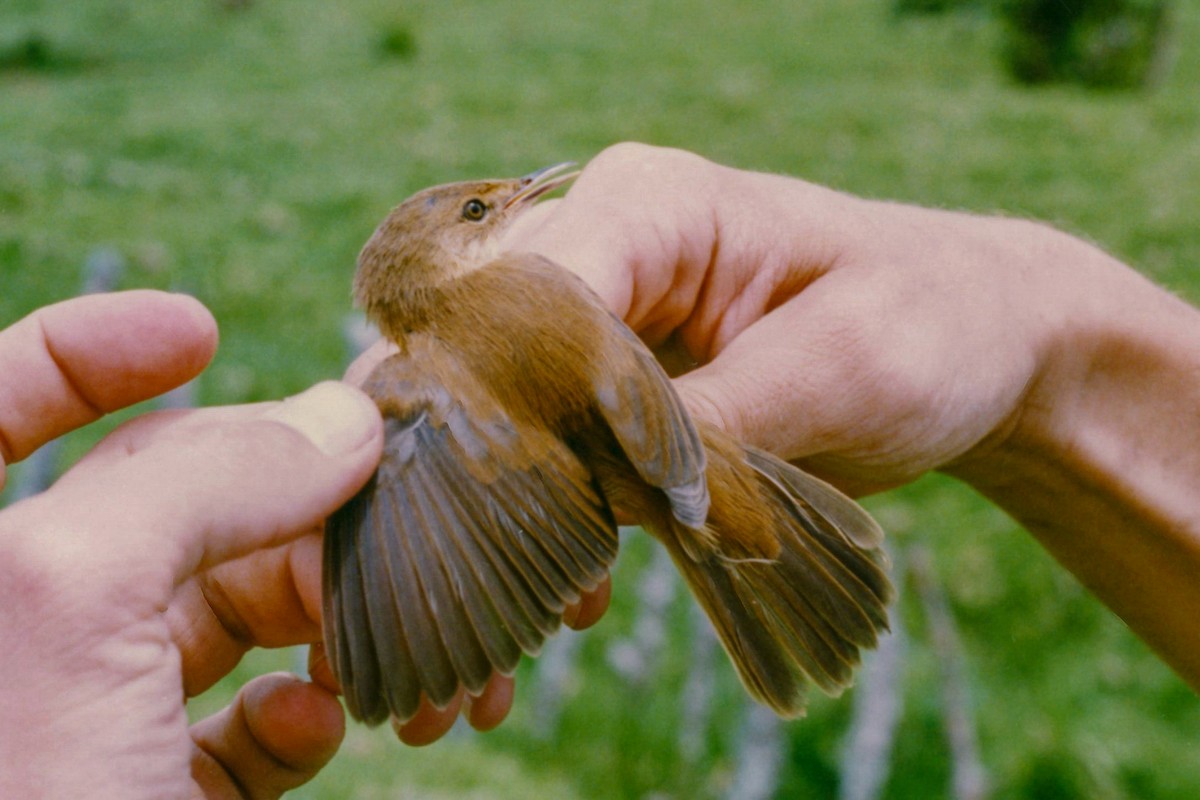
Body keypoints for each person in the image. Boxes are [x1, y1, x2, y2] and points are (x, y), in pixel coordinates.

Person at [2, 141, 1197, 796]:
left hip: (667, 469)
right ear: (455, 252)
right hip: (686, 458)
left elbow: (457, 502)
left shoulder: (423, 372)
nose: (519, 199)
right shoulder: (484, 330)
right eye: (488, 206)